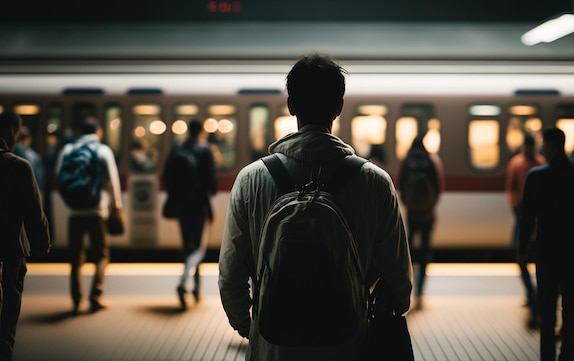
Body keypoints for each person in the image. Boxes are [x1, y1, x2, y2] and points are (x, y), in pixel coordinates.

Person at [218, 54, 412, 360]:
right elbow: (398, 277)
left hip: (274, 347)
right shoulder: (375, 182)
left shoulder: (250, 180)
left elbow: (230, 273)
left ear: (291, 105)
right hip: (348, 343)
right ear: (339, 106)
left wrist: (252, 327)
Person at [519, 128, 574, 361]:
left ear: (549, 146)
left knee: (547, 317)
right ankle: (567, 357)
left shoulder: (536, 177)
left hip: (546, 254)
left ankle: (548, 357)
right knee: (572, 314)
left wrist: (523, 250)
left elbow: (527, 218)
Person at [55, 117, 123, 314]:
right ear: (98, 132)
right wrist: (116, 206)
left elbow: (60, 178)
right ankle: (95, 295)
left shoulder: (67, 150)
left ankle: (76, 299)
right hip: (97, 212)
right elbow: (113, 181)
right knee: (101, 255)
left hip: (74, 212)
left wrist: (70, 202)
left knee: (75, 258)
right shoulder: (102, 150)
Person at [0, 112, 51, 360]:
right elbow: (34, 212)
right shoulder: (19, 167)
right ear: (11, 131)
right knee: (6, 324)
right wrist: (42, 244)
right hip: (10, 253)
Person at [162, 119, 217, 310]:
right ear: (201, 131)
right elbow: (212, 184)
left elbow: (166, 176)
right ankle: (187, 282)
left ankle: (195, 289)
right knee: (199, 248)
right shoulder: (205, 150)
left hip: (182, 207)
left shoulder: (178, 149)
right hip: (199, 206)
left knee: (188, 247)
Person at [397, 134, 444, 309]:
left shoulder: (405, 161)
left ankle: (407, 285)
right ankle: (421, 290)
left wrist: (409, 204)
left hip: (412, 213)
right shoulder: (432, 161)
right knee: (425, 250)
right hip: (428, 213)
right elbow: (439, 187)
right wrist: (430, 205)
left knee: (408, 251)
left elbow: (400, 185)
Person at [505, 133, 545, 323]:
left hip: (525, 216)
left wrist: (515, 207)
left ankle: (532, 294)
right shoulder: (539, 162)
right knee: (528, 257)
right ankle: (532, 294)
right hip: (532, 216)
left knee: (522, 256)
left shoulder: (517, 163)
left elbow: (511, 188)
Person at [14, 126, 45, 192]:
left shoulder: (10, 153)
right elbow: (38, 179)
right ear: (28, 139)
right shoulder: (34, 156)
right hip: (30, 192)